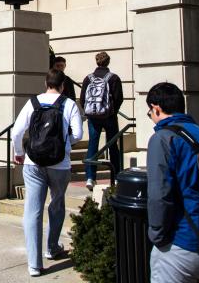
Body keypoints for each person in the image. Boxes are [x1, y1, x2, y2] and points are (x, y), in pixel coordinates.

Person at [146, 82, 199, 283]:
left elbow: (159, 194)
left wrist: (157, 236)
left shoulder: (163, 139)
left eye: (150, 112)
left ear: (156, 108)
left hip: (182, 243)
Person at [12, 69, 83, 277]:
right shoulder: (69, 104)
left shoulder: (33, 103)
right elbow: (78, 134)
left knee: (32, 211)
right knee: (57, 204)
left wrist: (19, 152)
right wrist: (64, 144)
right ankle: (52, 247)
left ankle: (34, 264)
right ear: (63, 86)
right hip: (60, 164)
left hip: (33, 162)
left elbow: (17, 131)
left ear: (46, 83)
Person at [78, 51, 123, 190]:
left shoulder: (88, 78)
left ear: (96, 62)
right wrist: (111, 112)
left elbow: (82, 99)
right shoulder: (113, 78)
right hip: (109, 117)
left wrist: (90, 112)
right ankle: (116, 176)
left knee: (93, 145)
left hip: (93, 117)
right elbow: (118, 98)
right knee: (113, 145)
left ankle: (90, 178)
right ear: (108, 62)